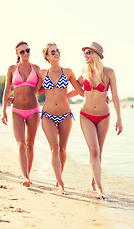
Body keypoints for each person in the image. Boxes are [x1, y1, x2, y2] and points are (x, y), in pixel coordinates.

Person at [67, 42, 123, 199]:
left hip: (104, 117)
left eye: (88, 52)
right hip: (86, 115)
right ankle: (100, 188)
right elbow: (76, 90)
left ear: (96, 54)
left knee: (99, 150)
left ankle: (93, 180)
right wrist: (60, 97)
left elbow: (116, 97)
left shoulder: (109, 72)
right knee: (94, 149)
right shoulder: (84, 71)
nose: (85, 55)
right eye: (84, 52)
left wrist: (119, 118)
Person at [38, 43, 84, 194]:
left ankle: (58, 177)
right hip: (48, 116)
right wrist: (17, 99)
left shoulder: (68, 72)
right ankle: (61, 183)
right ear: (47, 56)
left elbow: (81, 92)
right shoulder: (42, 73)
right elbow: (37, 91)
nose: (57, 53)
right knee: (54, 147)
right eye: (53, 52)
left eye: (58, 50)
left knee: (63, 149)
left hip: (65, 115)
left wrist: (103, 96)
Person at [1, 41, 42, 187]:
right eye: (22, 51)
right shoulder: (12, 69)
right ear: (17, 54)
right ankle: (25, 177)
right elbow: (7, 90)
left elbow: (41, 88)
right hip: (17, 111)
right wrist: (3, 110)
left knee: (30, 145)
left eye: (27, 50)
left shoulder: (37, 68)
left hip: (33, 111)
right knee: (21, 144)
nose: (25, 53)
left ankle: (28, 175)